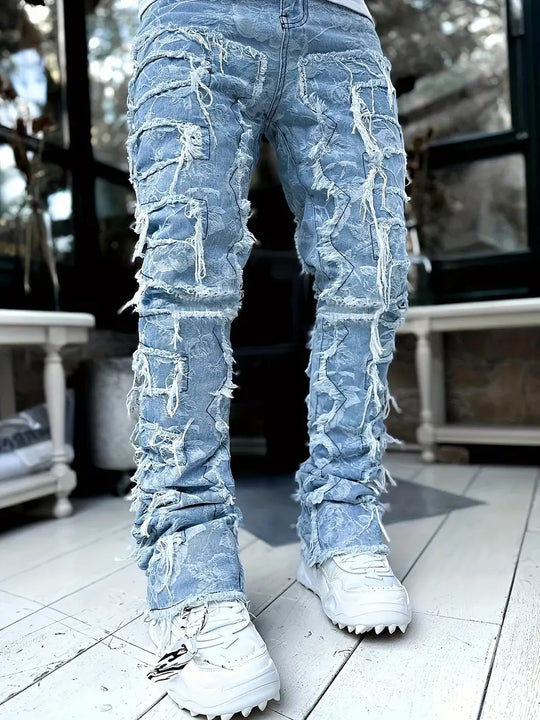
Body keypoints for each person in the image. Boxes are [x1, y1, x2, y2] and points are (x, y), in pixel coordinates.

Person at [125, 0, 412, 717]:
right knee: (186, 281)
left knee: (372, 276)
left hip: (341, 25)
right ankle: (190, 563)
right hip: (193, 18)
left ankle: (341, 520)